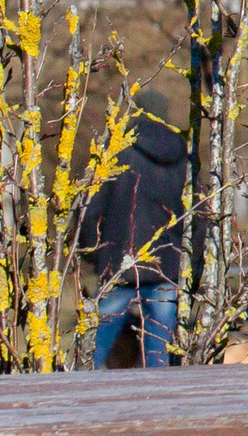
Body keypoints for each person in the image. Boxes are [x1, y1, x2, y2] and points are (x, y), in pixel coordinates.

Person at [78, 99, 199, 368]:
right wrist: (193, 266)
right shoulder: (185, 158)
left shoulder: (118, 152)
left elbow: (90, 210)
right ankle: (158, 405)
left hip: (119, 263)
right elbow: (198, 218)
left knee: (92, 351)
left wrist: (94, 256)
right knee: (160, 352)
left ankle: (79, 397)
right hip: (168, 266)